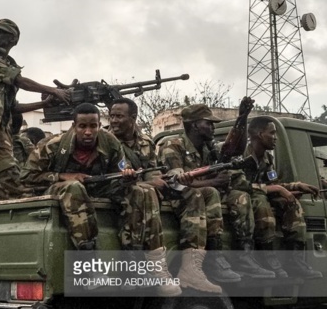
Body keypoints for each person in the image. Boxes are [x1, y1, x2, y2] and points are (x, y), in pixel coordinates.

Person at [21, 103, 182, 296]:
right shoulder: (53, 145)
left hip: (100, 187)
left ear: (99, 125)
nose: (88, 132)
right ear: (74, 126)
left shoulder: (110, 142)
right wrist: (62, 176)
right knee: (74, 187)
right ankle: (90, 266)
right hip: (60, 189)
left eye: (93, 126)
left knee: (141, 191)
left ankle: (146, 265)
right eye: (82, 127)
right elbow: (26, 177)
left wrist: (127, 176)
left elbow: (121, 170)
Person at [110, 98, 240, 286]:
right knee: (143, 192)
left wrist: (160, 180)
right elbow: (111, 174)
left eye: (119, 116)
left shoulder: (145, 141)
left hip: (155, 188)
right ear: (195, 125)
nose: (114, 120)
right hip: (125, 192)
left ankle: (196, 264)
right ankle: (140, 263)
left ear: (133, 117)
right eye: (112, 116)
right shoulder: (107, 141)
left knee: (202, 193)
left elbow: (156, 171)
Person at [158, 103, 274, 279]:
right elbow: (176, 183)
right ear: (195, 124)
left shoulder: (209, 148)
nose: (213, 127)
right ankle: (214, 257)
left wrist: (241, 120)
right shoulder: (173, 146)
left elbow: (235, 149)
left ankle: (245, 256)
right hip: (182, 198)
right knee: (211, 192)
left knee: (241, 197)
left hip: (205, 194)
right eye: (208, 123)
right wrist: (213, 181)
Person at [0, 18, 71, 201]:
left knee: (1, 188)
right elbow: (20, 81)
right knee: (13, 183)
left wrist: (43, 104)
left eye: (1, 33)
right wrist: (53, 90)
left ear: (13, 39)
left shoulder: (7, 63)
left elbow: (13, 107)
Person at [243, 116, 322, 278]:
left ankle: (295, 259)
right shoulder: (241, 156)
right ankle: (268, 258)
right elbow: (238, 185)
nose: (275, 138)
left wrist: (295, 187)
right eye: (272, 133)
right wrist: (277, 188)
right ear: (259, 134)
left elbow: (273, 182)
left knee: (290, 202)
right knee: (260, 200)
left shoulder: (267, 158)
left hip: (259, 194)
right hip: (243, 198)